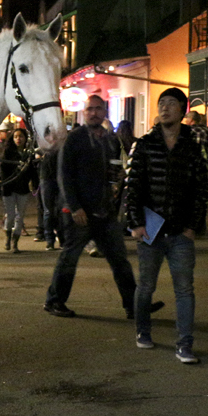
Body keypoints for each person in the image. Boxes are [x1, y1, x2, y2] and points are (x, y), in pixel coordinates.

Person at [44, 95, 162, 320]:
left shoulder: (110, 140)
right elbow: (64, 175)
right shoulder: (74, 138)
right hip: (80, 212)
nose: (94, 113)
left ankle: (133, 305)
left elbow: (111, 169)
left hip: (104, 210)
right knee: (69, 258)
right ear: (84, 112)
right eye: (90, 109)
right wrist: (74, 206)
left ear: (105, 111)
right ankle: (54, 300)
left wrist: (116, 178)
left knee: (120, 260)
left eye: (98, 109)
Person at [125, 87, 208, 364]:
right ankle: (143, 330)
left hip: (181, 231)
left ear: (183, 110)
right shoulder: (146, 145)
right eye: (161, 103)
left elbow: (201, 189)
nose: (165, 108)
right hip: (151, 229)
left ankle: (185, 344)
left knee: (184, 289)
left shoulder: (191, 147)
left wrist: (193, 225)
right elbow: (133, 187)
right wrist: (135, 224)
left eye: (172, 103)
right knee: (146, 285)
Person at [0, 128, 37, 253]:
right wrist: (5, 184)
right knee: (10, 216)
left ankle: (15, 242)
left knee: (20, 217)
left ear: (25, 138)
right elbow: (3, 170)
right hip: (9, 189)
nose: (18, 139)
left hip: (23, 188)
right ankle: (7, 237)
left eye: (21, 136)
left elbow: (32, 171)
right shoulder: (7, 153)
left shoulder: (28, 155)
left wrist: (35, 185)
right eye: (15, 137)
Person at [183, 110, 208, 232]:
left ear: (191, 120)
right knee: (202, 198)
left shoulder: (192, 133)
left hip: (194, 172)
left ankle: (193, 226)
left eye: (187, 119)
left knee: (191, 199)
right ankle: (201, 225)